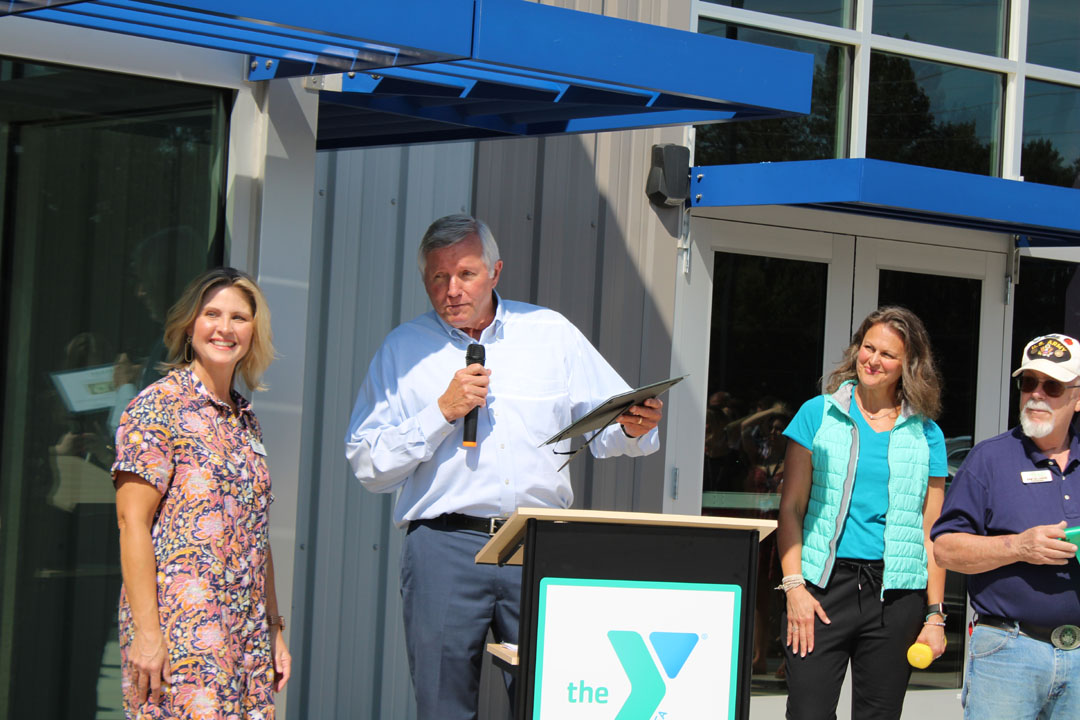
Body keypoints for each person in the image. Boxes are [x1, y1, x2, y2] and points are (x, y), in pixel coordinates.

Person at [344, 214, 663, 719]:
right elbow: (367, 463)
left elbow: (605, 427)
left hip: (540, 544)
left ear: (495, 271)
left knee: (548, 702)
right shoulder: (403, 350)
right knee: (443, 707)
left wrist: (632, 427)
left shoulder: (550, 333)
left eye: (465, 274)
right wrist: (439, 413)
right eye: (438, 277)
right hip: (444, 548)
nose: (452, 290)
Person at [112, 267, 291, 718]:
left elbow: (257, 533)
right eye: (212, 314)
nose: (225, 328)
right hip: (182, 632)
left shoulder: (245, 421)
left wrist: (274, 628)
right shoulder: (158, 406)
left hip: (246, 633)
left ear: (253, 332)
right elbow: (131, 523)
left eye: (239, 318)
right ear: (189, 325)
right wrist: (148, 635)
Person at [776, 306, 948, 719]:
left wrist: (935, 616)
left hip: (896, 596)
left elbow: (931, 532)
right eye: (869, 348)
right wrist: (794, 588)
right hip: (822, 588)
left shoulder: (926, 432)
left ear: (908, 364)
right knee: (807, 713)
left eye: (888, 354)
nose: (873, 360)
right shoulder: (817, 414)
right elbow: (792, 508)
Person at [933, 333, 1080, 719]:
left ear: (1078, 398)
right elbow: (945, 549)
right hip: (1009, 651)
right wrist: (1018, 547)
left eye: (1052, 386)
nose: (1037, 394)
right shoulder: (989, 459)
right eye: (1028, 383)